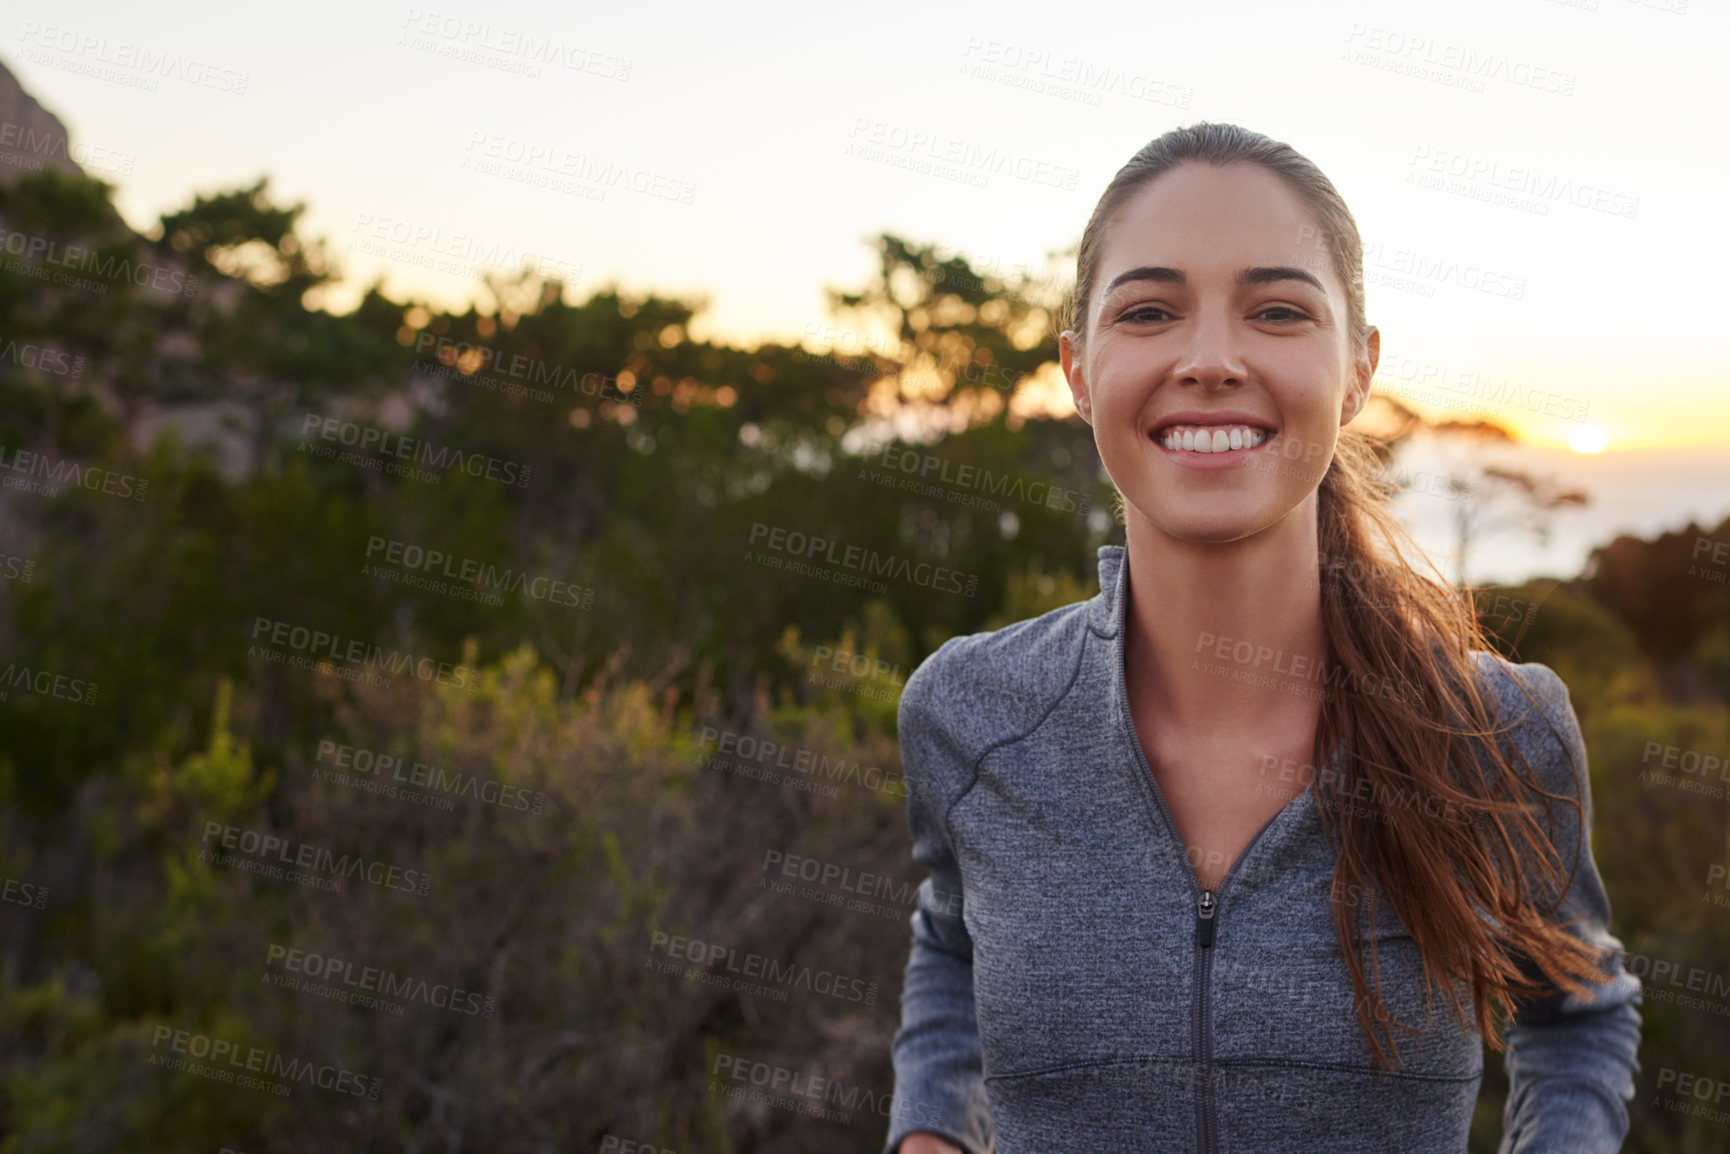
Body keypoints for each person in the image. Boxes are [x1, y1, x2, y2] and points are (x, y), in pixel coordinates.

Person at [882, 122, 1642, 1154]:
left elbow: (1576, 1006)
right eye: (1148, 310)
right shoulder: (969, 713)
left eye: (1276, 311)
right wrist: (929, 1125)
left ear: (1356, 369)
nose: (1207, 359)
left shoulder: (1495, 731)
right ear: (1074, 368)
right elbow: (949, 936)